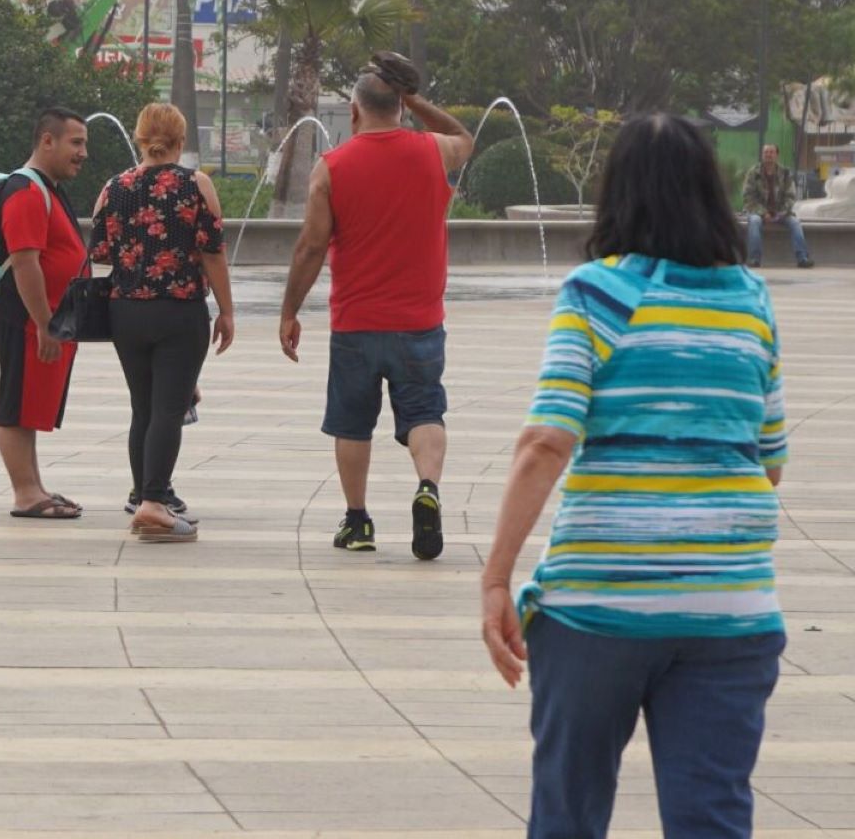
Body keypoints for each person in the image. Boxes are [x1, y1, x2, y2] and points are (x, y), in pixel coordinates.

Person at [480, 112, 788, 839]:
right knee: (712, 818)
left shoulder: (598, 294)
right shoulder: (751, 299)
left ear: (617, 193)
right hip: (730, 608)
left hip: (597, 606)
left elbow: (545, 443)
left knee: (569, 811)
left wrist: (497, 577)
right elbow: (769, 461)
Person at [278, 65, 473, 559]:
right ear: (403, 106)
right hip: (420, 321)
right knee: (426, 411)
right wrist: (416, 97)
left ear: (353, 110)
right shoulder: (434, 151)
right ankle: (427, 486)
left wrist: (290, 311)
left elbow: (310, 248)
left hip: (356, 323)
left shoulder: (332, 166)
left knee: (351, 423)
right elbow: (462, 135)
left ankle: (358, 521)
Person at [88, 103, 234, 542]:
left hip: (126, 311)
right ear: (181, 142)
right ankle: (154, 503)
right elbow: (212, 250)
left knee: (143, 407)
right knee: (170, 409)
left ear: (138, 138)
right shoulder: (195, 185)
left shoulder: (114, 187)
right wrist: (226, 310)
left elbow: (98, 251)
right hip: (179, 309)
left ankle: (144, 493)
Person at [0, 106, 90, 519]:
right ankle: (25, 494)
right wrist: (45, 323)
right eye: (76, 143)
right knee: (16, 404)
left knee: (30, 403)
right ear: (47, 140)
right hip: (26, 318)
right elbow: (25, 260)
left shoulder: (46, 188)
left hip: (43, 319)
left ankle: (35, 487)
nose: (83, 153)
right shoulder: (25, 191)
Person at [743, 143, 813, 269]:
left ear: (776, 155)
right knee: (754, 221)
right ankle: (754, 259)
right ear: (762, 155)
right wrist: (763, 213)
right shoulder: (753, 173)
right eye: (766, 152)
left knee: (795, 222)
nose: (768, 155)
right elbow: (748, 197)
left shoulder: (785, 173)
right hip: (758, 212)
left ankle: (802, 258)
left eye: (771, 152)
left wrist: (780, 213)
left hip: (781, 212)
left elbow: (790, 196)